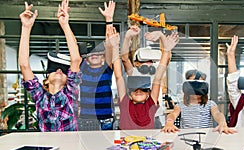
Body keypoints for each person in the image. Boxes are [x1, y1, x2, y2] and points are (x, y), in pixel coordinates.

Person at [19, 0, 82, 132]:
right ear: (46, 80)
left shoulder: (70, 93)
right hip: (46, 149)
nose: (59, 70)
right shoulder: (39, 96)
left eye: (63, 71)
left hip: (71, 149)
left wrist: (65, 25)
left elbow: (76, 59)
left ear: (67, 80)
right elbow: (24, 66)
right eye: (54, 69)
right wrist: (26, 28)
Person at [107, 25, 179, 130]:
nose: (139, 91)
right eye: (144, 62)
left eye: (143, 90)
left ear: (148, 93)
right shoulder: (126, 101)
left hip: (153, 120)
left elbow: (160, 72)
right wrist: (115, 46)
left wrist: (166, 48)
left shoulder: (151, 100)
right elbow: (119, 73)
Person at [78, 0, 116, 130]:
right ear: (86, 59)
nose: (94, 55)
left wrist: (109, 20)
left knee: (105, 149)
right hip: (86, 119)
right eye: (91, 53)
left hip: (105, 119)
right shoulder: (83, 69)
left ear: (104, 57)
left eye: (99, 53)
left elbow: (110, 45)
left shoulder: (106, 69)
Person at [121, 26, 168, 128]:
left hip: (156, 117)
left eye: (151, 62)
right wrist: (127, 37)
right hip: (135, 117)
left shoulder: (156, 73)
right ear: (136, 63)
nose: (149, 64)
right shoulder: (133, 72)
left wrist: (161, 36)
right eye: (145, 62)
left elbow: (166, 56)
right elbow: (124, 58)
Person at [161, 80, 236, 134]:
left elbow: (217, 114)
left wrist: (222, 122)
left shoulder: (210, 104)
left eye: (199, 94)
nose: (196, 95)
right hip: (186, 134)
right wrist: (169, 122)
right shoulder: (180, 105)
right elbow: (173, 114)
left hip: (205, 134)